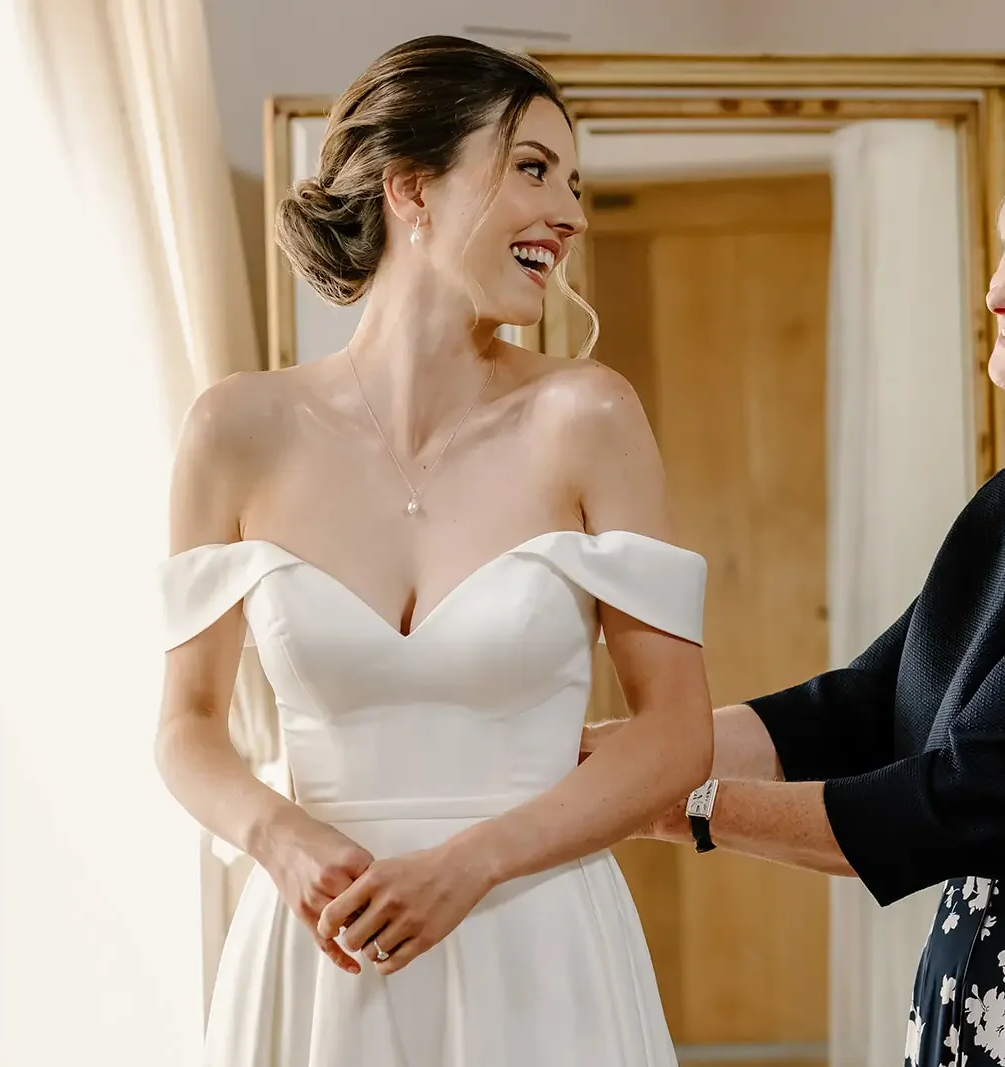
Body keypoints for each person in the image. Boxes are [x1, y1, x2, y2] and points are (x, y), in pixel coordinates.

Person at [587, 118, 1005, 1066]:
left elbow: (963, 797)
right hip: (986, 975)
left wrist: (678, 802)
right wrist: (640, 749)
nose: (999, 292)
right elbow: (868, 703)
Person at [154, 36, 713, 1066]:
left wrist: (474, 862)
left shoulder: (587, 414)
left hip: (537, 940)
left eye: (575, 182)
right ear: (414, 189)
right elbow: (186, 726)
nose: (571, 214)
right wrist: (281, 837)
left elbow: (675, 734)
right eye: (533, 168)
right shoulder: (234, 429)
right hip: (321, 940)